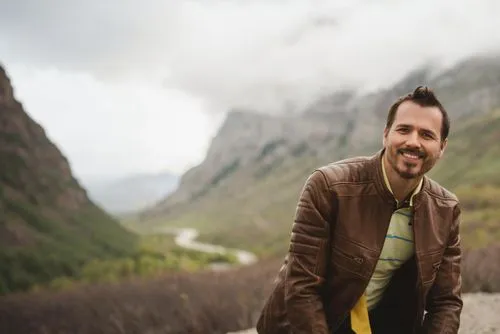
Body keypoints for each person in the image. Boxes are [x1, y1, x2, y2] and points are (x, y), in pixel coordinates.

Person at [256, 86, 463, 334]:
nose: (413, 142)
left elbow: (446, 303)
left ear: (442, 147)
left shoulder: (446, 209)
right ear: (385, 134)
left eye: (427, 135)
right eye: (404, 129)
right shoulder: (328, 186)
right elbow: (302, 287)